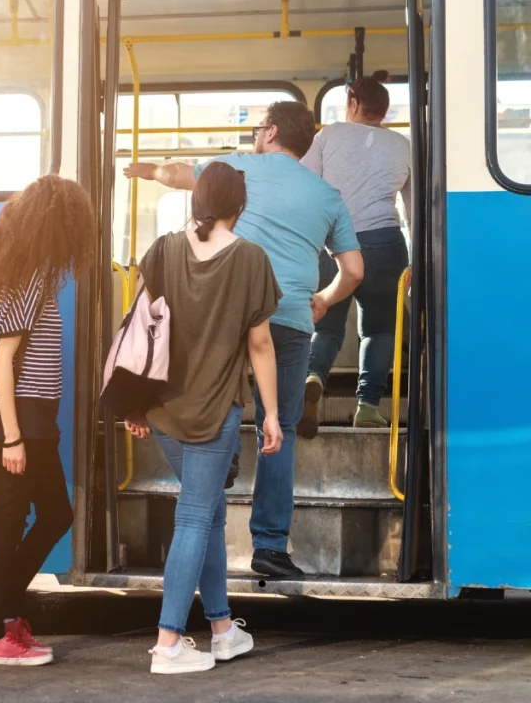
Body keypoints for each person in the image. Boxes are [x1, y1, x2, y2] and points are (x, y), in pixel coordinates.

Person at [124, 101, 363, 578]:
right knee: (283, 428)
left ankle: (225, 461)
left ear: (271, 132)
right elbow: (354, 269)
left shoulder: (236, 169)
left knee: (219, 405)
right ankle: (270, 547)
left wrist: (143, 168)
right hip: (291, 317)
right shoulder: (327, 194)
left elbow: (176, 174)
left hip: (227, 312)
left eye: (259, 128)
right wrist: (323, 299)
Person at [125, 162, 282, 674]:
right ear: (240, 205)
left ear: (196, 201)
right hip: (215, 412)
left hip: (165, 411)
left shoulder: (164, 250)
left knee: (210, 513)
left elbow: (140, 330)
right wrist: (272, 415)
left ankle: (221, 629)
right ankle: (168, 644)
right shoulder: (251, 259)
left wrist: (134, 402)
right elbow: (260, 344)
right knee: (195, 516)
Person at [0, 175, 94, 666]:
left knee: (56, 515)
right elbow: (3, 358)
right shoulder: (29, 276)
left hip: (35, 418)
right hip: (19, 420)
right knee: (7, 524)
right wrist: (12, 436)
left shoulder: (35, 271)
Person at [298, 71, 412, 435]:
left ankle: (313, 376)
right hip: (386, 243)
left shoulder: (329, 135)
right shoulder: (403, 145)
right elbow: (414, 209)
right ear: (384, 111)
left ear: (352, 103)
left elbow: (304, 185)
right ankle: (367, 406)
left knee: (327, 326)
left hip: (333, 243)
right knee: (379, 331)